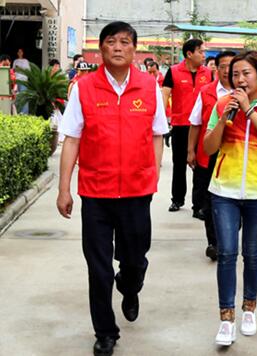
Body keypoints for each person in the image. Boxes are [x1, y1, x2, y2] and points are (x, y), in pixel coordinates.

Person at [56, 21, 169, 356]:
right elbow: (72, 139)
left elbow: (158, 134)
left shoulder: (150, 87)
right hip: (96, 192)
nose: (117, 47)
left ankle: (130, 286)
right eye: (110, 42)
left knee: (134, 260)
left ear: (134, 49)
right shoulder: (84, 88)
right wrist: (65, 189)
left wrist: (153, 173)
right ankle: (105, 331)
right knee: (99, 268)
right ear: (101, 49)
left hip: (136, 192)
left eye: (124, 42)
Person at [203, 51, 257, 346]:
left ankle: (249, 308)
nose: (239, 79)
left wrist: (250, 111)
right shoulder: (223, 104)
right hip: (224, 190)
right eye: (235, 74)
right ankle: (226, 319)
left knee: (252, 253)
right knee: (227, 252)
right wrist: (226, 117)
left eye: (246, 74)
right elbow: (209, 147)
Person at [187, 51, 235, 261]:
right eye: (222, 66)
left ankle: (229, 238)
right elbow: (196, 123)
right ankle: (214, 243)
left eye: (230, 66)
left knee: (233, 201)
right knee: (210, 202)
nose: (226, 70)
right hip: (209, 154)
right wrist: (191, 150)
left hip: (235, 157)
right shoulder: (206, 92)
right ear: (216, 68)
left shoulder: (247, 93)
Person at [162, 39, 212, 212]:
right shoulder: (174, 71)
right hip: (181, 125)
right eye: (201, 52)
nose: (204, 55)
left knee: (201, 165)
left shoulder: (208, 73)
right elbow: (164, 94)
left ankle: (199, 204)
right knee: (179, 164)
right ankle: (177, 199)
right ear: (189, 54)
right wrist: (162, 120)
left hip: (202, 126)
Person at [13, 48, 30, 113]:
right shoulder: (15, 61)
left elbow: (28, 71)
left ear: (23, 53)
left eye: (21, 51)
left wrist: (20, 68)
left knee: (24, 97)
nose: (20, 53)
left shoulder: (26, 61)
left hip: (23, 81)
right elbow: (13, 70)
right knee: (16, 97)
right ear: (17, 53)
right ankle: (17, 112)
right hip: (17, 81)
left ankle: (24, 113)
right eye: (18, 51)